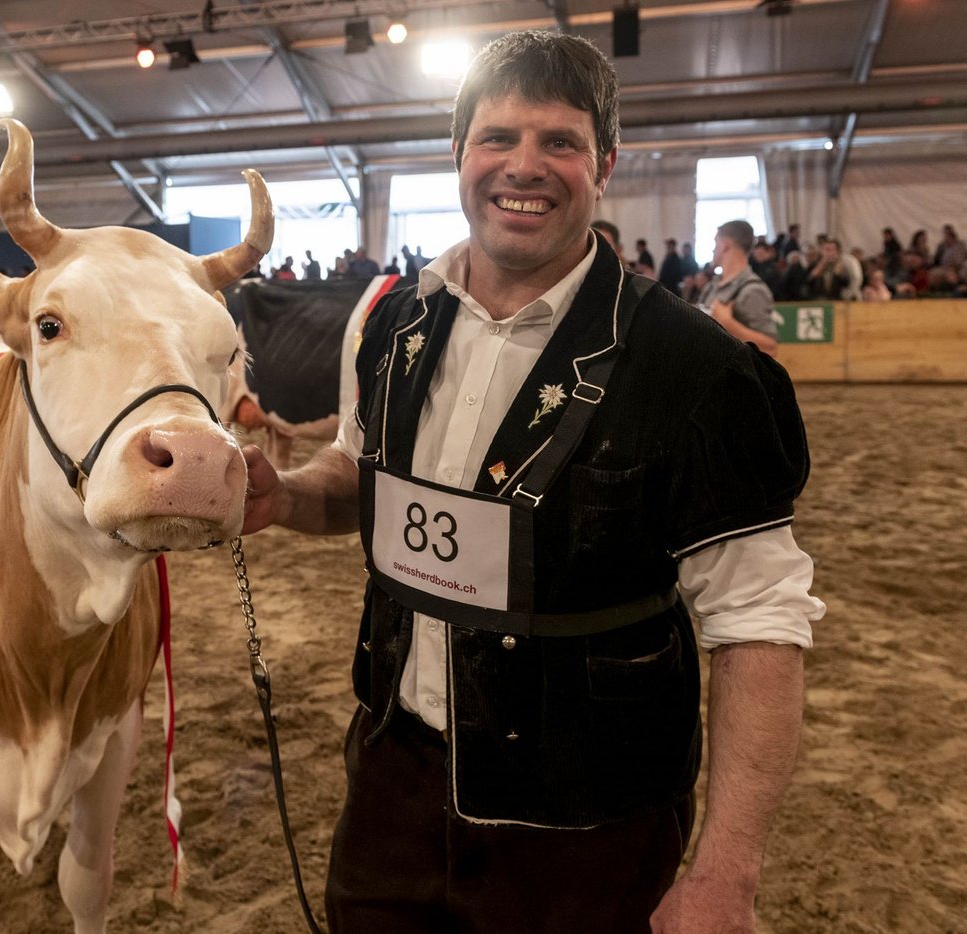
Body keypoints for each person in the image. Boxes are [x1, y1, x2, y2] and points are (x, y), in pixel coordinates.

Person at [241, 30, 822, 932]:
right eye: (498, 138)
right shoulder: (394, 322)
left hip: (591, 821)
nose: (526, 165)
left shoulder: (695, 369)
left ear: (606, 165)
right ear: (458, 154)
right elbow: (360, 475)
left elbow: (758, 624)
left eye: (561, 142)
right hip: (392, 786)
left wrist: (726, 871)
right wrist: (284, 496)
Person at [698, 220, 779, 356]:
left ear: (724, 245)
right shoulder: (712, 286)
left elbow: (771, 348)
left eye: (716, 242)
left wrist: (728, 324)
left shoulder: (752, 289)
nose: (713, 249)